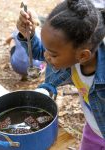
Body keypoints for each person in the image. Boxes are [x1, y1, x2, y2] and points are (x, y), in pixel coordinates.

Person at [16, 0, 105, 149]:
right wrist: (28, 35)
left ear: (83, 56)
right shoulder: (74, 57)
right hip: (94, 128)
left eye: (52, 54)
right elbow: (43, 53)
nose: (46, 56)